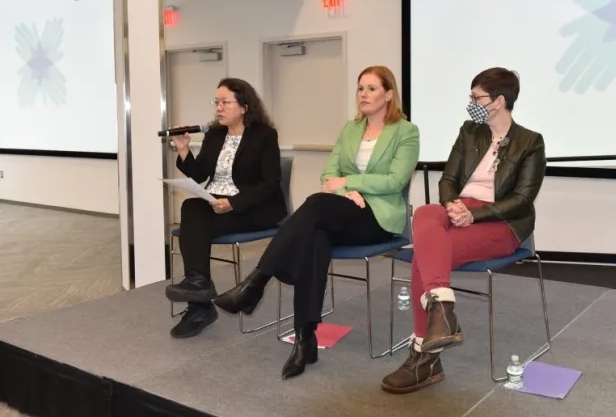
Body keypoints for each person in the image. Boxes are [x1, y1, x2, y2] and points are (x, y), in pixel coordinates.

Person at [213, 65, 420, 379]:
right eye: (360, 88)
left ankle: (256, 281)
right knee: (316, 236)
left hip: (379, 218)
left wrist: (349, 183)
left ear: (389, 94)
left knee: (316, 204)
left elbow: (394, 181)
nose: (364, 94)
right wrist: (350, 192)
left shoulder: (406, 131)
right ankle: (305, 337)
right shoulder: (350, 129)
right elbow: (327, 174)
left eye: (372, 89)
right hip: (344, 210)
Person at [380, 67, 546, 394]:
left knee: (423, 258)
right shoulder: (470, 132)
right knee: (428, 212)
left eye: (477, 97)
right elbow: (448, 179)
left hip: (502, 224)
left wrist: (477, 215)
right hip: (460, 210)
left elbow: (523, 199)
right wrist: (452, 205)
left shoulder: (530, 142)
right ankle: (441, 311)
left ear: (499, 101)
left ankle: (424, 356)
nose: (471, 103)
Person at [164, 78, 287, 339]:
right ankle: (199, 288)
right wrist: (184, 151)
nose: (218, 108)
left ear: (243, 106)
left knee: (195, 228)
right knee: (191, 207)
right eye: (216, 102)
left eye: (225, 102)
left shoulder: (264, 135)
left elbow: (269, 183)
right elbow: (199, 176)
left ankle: (199, 307)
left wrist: (234, 203)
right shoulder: (216, 134)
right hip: (217, 202)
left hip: (253, 207)